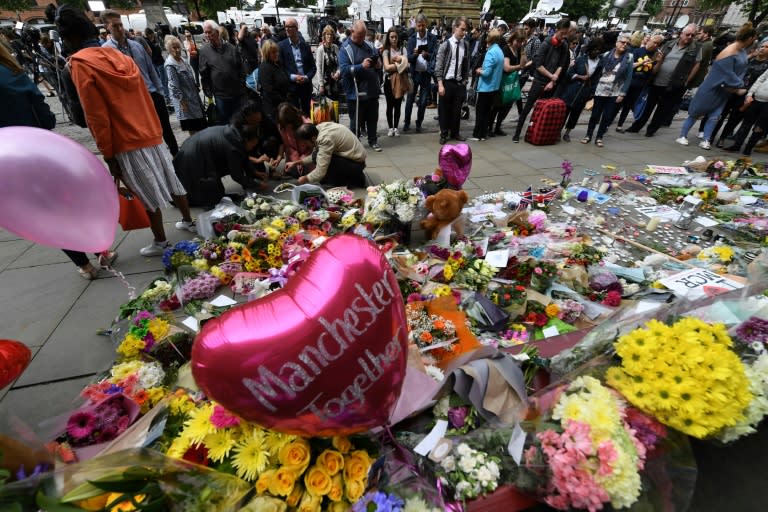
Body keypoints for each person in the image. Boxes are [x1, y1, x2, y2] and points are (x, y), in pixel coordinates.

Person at [56, 6, 195, 258]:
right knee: (171, 179)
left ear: (69, 38)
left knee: (146, 191)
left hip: (125, 138)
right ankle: (188, 220)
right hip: (149, 130)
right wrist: (156, 129)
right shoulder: (122, 56)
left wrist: (108, 153)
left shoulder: (80, 65)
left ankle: (161, 242)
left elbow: (95, 115)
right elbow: (146, 95)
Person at [0, 38, 115, 280]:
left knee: (47, 210)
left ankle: (84, 265)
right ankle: (100, 249)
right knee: (68, 201)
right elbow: (46, 117)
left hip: (9, 164)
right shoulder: (14, 74)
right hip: (42, 152)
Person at [101, 10, 179, 156]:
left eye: (121, 25)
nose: (120, 29)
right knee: (148, 136)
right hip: (133, 102)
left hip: (152, 94)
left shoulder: (136, 45)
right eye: (115, 26)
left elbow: (151, 70)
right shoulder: (106, 51)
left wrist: (160, 92)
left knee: (166, 130)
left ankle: (178, 158)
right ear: (107, 27)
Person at [173, 101, 269, 207]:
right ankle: (194, 199)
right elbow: (236, 175)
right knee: (213, 198)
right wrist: (257, 183)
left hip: (197, 154)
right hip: (192, 163)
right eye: (252, 145)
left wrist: (254, 172)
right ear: (247, 139)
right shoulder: (233, 146)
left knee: (218, 191)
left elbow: (243, 157)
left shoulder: (237, 135)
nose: (252, 148)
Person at [676, 23, 755, 150]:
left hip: (723, 89)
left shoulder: (740, 51)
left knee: (715, 116)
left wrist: (737, 86)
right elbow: (727, 72)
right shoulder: (731, 51)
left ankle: (706, 139)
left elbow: (735, 71)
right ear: (750, 38)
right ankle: (682, 135)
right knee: (696, 112)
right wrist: (739, 86)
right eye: (754, 38)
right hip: (712, 87)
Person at [626, 24, 702, 137]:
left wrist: (687, 81)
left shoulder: (696, 48)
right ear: (681, 34)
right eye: (687, 34)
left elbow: (697, 64)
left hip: (675, 84)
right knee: (648, 106)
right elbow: (658, 58)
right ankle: (636, 126)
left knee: (663, 109)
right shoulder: (669, 43)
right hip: (658, 80)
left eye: (692, 35)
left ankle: (651, 130)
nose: (690, 37)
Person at [512, 18, 571, 142]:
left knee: (543, 109)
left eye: (566, 33)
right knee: (527, 108)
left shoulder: (564, 45)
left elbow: (561, 64)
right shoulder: (546, 43)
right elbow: (538, 65)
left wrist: (553, 80)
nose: (564, 36)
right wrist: (551, 76)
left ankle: (536, 133)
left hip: (551, 82)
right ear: (557, 30)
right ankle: (517, 133)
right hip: (539, 80)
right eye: (562, 33)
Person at [580, 33, 633, 148]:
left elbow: (628, 77)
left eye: (627, 44)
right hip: (600, 90)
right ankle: (588, 135)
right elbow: (597, 71)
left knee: (607, 116)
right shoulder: (606, 55)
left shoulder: (629, 58)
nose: (625, 45)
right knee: (595, 115)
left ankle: (599, 137)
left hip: (615, 92)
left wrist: (622, 94)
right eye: (623, 42)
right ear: (617, 42)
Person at [339, 20, 383, 152]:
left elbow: (377, 59)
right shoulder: (345, 48)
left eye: (364, 35)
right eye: (360, 35)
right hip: (355, 92)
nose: (362, 38)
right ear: (352, 31)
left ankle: (373, 140)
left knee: (372, 118)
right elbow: (344, 70)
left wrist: (377, 64)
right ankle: (354, 144)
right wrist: (361, 66)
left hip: (371, 90)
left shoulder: (369, 45)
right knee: (356, 121)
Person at [717, 39, 768, 148]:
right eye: (762, 46)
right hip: (733, 89)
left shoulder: (766, 66)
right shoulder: (749, 59)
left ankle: (722, 138)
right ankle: (711, 136)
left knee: (734, 118)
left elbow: (760, 81)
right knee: (721, 114)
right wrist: (749, 56)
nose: (762, 48)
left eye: (766, 47)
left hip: (746, 94)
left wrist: (749, 92)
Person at [287, 122, 367, 187]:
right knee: (316, 156)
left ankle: (356, 180)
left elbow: (321, 171)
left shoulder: (325, 139)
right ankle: (349, 177)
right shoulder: (317, 130)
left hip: (356, 163)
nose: (305, 146)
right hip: (351, 158)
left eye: (305, 143)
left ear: (313, 139)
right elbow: (315, 156)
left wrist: (305, 178)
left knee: (326, 166)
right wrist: (296, 162)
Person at [199, 20, 247, 126]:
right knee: (225, 123)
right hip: (220, 96)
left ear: (216, 31)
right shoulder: (204, 51)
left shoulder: (231, 48)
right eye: (205, 32)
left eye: (209, 32)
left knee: (239, 121)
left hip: (237, 93)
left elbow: (241, 68)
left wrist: (242, 84)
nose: (207, 35)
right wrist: (208, 92)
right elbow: (203, 73)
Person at [615, 34, 663, 133]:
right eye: (654, 42)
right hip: (630, 81)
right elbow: (629, 66)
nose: (655, 45)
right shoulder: (637, 51)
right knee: (618, 103)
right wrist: (641, 63)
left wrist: (658, 62)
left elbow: (653, 72)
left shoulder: (655, 55)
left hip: (641, 84)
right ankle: (608, 122)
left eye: (658, 44)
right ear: (649, 40)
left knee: (628, 105)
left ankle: (620, 125)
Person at [434, 17, 470, 145]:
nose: (464, 32)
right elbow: (438, 66)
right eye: (462, 29)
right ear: (455, 28)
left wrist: (465, 81)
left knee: (457, 110)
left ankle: (455, 132)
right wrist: (440, 84)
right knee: (444, 110)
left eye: (465, 30)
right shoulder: (445, 45)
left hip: (459, 83)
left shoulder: (465, 45)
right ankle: (444, 134)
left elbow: (466, 64)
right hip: (446, 82)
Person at [560, 39, 603, 143]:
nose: (596, 52)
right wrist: (579, 76)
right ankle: (558, 132)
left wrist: (592, 92)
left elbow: (596, 79)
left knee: (575, 114)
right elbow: (569, 73)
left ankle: (567, 133)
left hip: (584, 92)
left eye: (598, 50)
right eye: (594, 49)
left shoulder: (600, 63)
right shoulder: (580, 60)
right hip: (572, 90)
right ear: (590, 49)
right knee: (564, 113)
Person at [403, 13, 438, 133]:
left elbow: (434, 56)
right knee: (409, 100)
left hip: (426, 74)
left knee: (423, 101)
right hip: (414, 74)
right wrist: (415, 54)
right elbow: (409, 58)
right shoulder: (412, 39)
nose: (421, 28)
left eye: (423, 25)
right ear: (416, 26)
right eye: (419, 26)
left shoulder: (432, 38)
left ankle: (419, 123)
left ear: (426, 25)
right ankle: (407, 123)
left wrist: (426, 54)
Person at [164, 35, 206, 136]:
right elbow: (173, 86)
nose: (177, 50)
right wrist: (182, 102)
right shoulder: (170, 65)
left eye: (178, 47)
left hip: (193, 97)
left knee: (200, 125)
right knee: (193, 128)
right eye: (174, 47)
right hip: (185, 102)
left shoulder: (182, 59)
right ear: (169, 49)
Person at [488, 29, 526, 137]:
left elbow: (524, 62)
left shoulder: (518, 50)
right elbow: (507, 68)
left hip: (512, 81)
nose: (519, 43)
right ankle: (489, 127)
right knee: (497, 106)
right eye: (518, 41)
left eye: (521, 42)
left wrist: (523, 50)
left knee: (507, 106)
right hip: (503, 81)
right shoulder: (506, 49)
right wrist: (519, 67)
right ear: (513, 39)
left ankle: (498, 127)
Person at [470, 28, 504, 141]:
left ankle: (477, 135)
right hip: (494, 87)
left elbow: (487, 73)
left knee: (480, 112)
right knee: (487, 112)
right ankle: (483, 134)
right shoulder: (500, 51)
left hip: (486, 87)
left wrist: (479, 71)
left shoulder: (491, 53)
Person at [278, 17, 316, 115]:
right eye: (285, 26)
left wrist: (307, 77)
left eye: (290, 27)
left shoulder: (305, 46)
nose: (287, 29)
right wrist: (293, 77)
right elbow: (281, 68)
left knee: (306, 113)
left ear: (296, 28)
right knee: (294, 115)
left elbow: (313, 67)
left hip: (305, 86)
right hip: (292, 87)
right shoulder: (281, 46)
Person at [727, 67, 768, 155]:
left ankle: (748, 149)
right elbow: (760, 79)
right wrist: (750, 94)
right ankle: (737, 145)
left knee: (759, 128)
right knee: (746, 124)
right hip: (756, 98)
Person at [274, 102, 313, 177]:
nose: (287, 127)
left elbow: (313, 147)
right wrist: (296, 161)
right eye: (284, 124)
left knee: (309, 175)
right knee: (293, 172)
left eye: (288, 124)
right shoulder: (281, 126)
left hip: (308, 156)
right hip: (292, 157)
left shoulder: (307, 124)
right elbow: (288, 146)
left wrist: (301, 160)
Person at [259, 38, 291, 124]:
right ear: (267, 53)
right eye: (273, 52)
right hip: (273, 108)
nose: (277, 54)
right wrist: (284, 101)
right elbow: (269, 90)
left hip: (283, 104)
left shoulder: (278, 63)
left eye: (277, 51)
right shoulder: (264, 68)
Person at [382, 27, 406, 137]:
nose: (394, 39)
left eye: (396, 37)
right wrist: (399, 65)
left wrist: (397, 65)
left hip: (400, 81)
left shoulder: (403, 49)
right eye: (391, 37)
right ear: (388, 38)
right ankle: (390, 127)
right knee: (390, 105)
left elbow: (407, 65)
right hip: (388, 81)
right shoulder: (386, 51)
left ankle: (396, 127)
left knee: (398, 105)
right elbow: (386, 67)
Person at [313, 25, 340, 100]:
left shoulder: (336, 47)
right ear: (324, 36)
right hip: (325, 83)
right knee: (326, 105)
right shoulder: (320, 49)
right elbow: (318, 68)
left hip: (335, 81)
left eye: (331, 34)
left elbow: (340, 64)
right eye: (327, 34)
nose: (329, 36)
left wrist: (338, 72)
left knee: (336, 103)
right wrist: (321, 85)